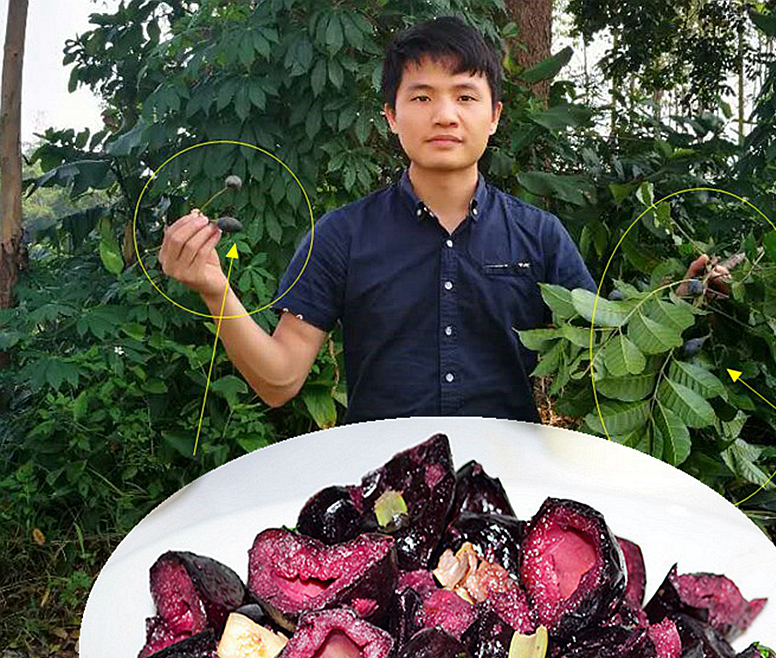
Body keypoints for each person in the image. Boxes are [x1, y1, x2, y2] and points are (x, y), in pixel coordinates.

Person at [159, 16, 726, 424]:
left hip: (507, 495)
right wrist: (216, 291)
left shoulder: (540, 236)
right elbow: (280, 382)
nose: (446, 115)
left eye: (465, 95)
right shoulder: (342, 236)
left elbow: (607, 365)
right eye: (423, 97)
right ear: (392, 115)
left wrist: (681, 303)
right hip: (382, 495)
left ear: (495, 115)